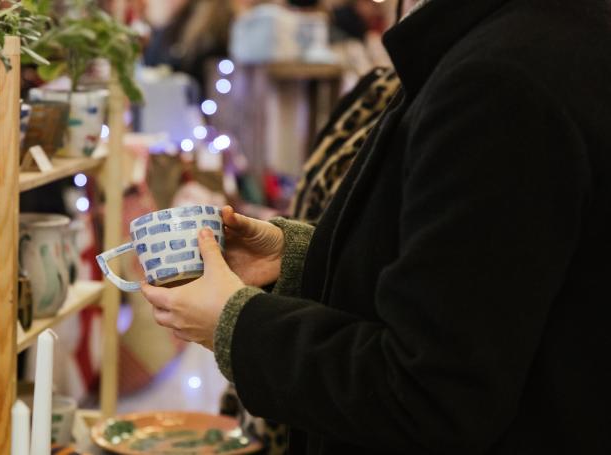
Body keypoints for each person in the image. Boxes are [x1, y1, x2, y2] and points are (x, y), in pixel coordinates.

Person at [140, 0, 611, 452]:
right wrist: (301, 259)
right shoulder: (538, 36)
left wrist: (237, 325)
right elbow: (482, 288)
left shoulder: (501, 79)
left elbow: (429, 394)